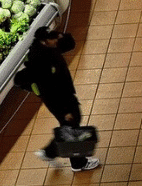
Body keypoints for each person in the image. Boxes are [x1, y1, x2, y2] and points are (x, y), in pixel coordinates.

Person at [18, 27, 99, 171]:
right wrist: (64, 111)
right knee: (72, 127)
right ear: (45, 41)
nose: (57, 41)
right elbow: (50, 92)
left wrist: (62, 36)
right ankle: (78, 163)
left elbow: (70, 44)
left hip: (65, 96)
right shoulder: (41, 61)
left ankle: (50, 152)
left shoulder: (48, 48)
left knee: (70, 125)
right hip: (60, 101)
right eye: (54, 38)